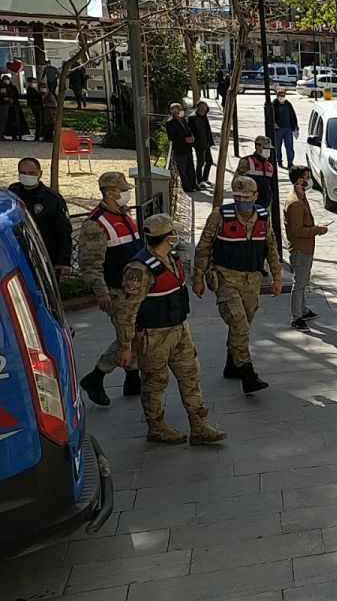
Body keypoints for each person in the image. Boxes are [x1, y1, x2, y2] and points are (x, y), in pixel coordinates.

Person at [113, 214, 227, 445]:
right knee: (155, 382)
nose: (176, 235)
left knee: (190, 375)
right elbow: (126, 311)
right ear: (166, 237)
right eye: (173, 232)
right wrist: (125, 347)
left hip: (178, 329)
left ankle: (199, 425)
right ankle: (156, 427)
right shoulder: (139, 269)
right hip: (153, 335)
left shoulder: (170, 258)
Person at [192, 176, 282, 394]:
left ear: (255, 196)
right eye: (237, 196)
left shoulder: (262, 216)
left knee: (244, 324)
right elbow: (203, 246)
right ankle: (247, 373)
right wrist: (198, 277)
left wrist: (277, 277)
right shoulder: (220, 216)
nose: (242, 200)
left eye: (246, 196)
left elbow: (271, 247)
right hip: (226, 278)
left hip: (252, 280)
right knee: (239, 324)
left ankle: (232, 364)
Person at [77, 172, 144, 406]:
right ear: (109, 192)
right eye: (121, 189)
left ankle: (133, 379)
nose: (126, 193)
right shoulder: (96, 223)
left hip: (133, 287)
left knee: (133, 333)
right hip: (116, 290)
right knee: (129, 334)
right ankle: (97, 375)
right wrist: (101, 292)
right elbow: (90, 262)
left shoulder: (124, 215)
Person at [283, 165, 328, 331]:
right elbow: (297, 230)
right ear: (300, 180)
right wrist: (317, 230)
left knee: (304, 280)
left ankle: (303, 309)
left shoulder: (301, 197)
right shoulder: (295, 202)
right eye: (307, 178)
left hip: (306, 248)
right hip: (300, 249)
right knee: (299, 283)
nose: (309, 181)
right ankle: (297, 316)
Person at [9, 157, 71, 272]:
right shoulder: (12, 192)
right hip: (17, 253)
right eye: (23, 173)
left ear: (40, 174)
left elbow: (64, 231)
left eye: (31, 173)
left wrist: (64, 262)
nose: (27, 176)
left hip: (45, 255)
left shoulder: (52, 199)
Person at [165, 103, 199, 193]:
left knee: (190, 167)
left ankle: (193, 184)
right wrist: (185, 139)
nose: (181, 111)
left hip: (188, 148)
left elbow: (188, 130)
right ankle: (186, 186)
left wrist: (191, 137)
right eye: (179, 110)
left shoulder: (183, 120)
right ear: (174, 111)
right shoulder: (170, 123)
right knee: (183, 169)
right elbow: (172, 137)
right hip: (180, 149)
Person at [236, 135, 276, 208]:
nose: (268, 150)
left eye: (269, 148)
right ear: (257, 147)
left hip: (265, 206)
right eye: (265, 148)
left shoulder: (269, 166)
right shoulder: (247, 161)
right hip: (249, 205)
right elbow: (237, 183)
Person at [189, 101, 216, 187]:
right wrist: (195, 142)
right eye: (203, 108)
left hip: (206, 143)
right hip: (199, 144)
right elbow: (191, 131)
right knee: (200, 162)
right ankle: (199, 181)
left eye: (206, 108)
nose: (205, 110)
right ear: (198, 108)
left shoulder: (204, 115)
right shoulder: (193, 117)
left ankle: (205, 179)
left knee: (209, 161)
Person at [272, 90, 299, 168]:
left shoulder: (287, 104)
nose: (282, 97)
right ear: (277, 96)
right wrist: (273, 123)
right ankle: (279, 161)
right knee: (277, 146)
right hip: (278, 129)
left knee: (289, 146)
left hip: (288, 128)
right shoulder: (274, 104)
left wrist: (295, 124)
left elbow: (293, 114)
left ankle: (290, 162)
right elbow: (271, 115)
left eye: (283, 95)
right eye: (281, 95)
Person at [2, 75, 26, 140]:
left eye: (7, 79)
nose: (6, 81)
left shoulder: (13, 87)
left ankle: (15, 134)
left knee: (16, 121)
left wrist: (13, 99)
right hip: (7, 106)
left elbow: (16, 95)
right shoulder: (3, 88)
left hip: (15, 106)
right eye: (5, 80)